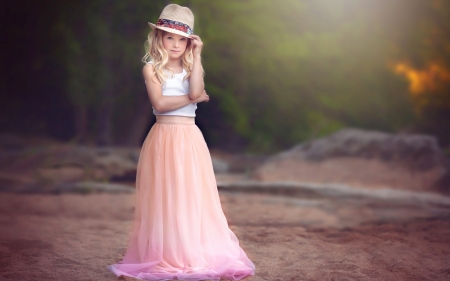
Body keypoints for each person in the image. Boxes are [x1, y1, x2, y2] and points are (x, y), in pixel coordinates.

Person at [107, 4, 256, 281]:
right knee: (165, 197)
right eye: (169, 37)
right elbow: (161, 104)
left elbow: (198, 89)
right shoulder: (152, 69)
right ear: (159, 39)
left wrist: (198, 56)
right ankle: (166, 254)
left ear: (189, 42)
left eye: (182, 39)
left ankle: (192, 252)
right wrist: (192, 99)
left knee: (191, 196)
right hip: (163, 138)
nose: (175, 44)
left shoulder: (190, 67)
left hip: (189, 138)